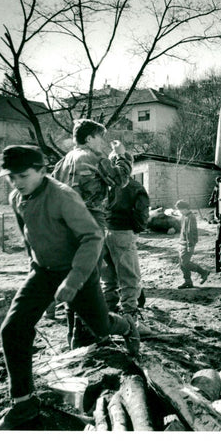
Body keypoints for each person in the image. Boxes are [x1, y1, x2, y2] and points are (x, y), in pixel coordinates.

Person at [0, 145, 139, 430]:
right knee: (12, 329)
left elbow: (93, 238)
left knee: (101, 327)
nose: (16, 183)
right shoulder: (17, 197)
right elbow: (28, 235)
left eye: (23, 176)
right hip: (43, 272)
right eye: (11, 177)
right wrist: (36, 268)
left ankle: (127, 325)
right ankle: (24, 405)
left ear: (42, 171)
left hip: (79, 271)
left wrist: (74, 280)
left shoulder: (63, 197)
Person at [52, 119, 133, 347]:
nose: (103, 143)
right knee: (89, 278)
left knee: (74, 276)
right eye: (100, 137)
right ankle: (85, 336)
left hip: (65, 224)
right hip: (90, 221)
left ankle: (73, 335)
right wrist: (121, 156)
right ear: (89, 138)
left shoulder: (63, 161)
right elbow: (121, 180)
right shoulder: (94, 157)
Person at [102, 177, 151, 335]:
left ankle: (108, 316)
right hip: (123, 232)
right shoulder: (135, 187)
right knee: (130, 277)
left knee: (108, 277)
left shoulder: (103, 182)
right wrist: (136, 229)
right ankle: (131, 319)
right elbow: (142, 213)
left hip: (103, 231)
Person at [175, 199, 209, 289]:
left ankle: (203, 272)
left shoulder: (191, 217)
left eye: (180, 210)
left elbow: (190, 232)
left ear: (184, 208)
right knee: (182, 264)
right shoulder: (185, 216)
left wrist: (190, 245)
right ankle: (188, 282)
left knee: (185, 263)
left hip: (187, 244)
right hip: (182, 243)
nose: (180, 212)